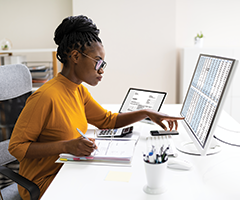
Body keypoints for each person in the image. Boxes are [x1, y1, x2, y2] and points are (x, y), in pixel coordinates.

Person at [8, 15, 184, 199]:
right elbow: (17, 147)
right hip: (45, 183)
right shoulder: (45, 97)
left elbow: (108, 121)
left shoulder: (78, 91)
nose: (101, 70)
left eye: (103, 64)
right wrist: (66, 146)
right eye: (98, 62)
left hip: (69, 169)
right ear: (76, 56)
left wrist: (146, 113)